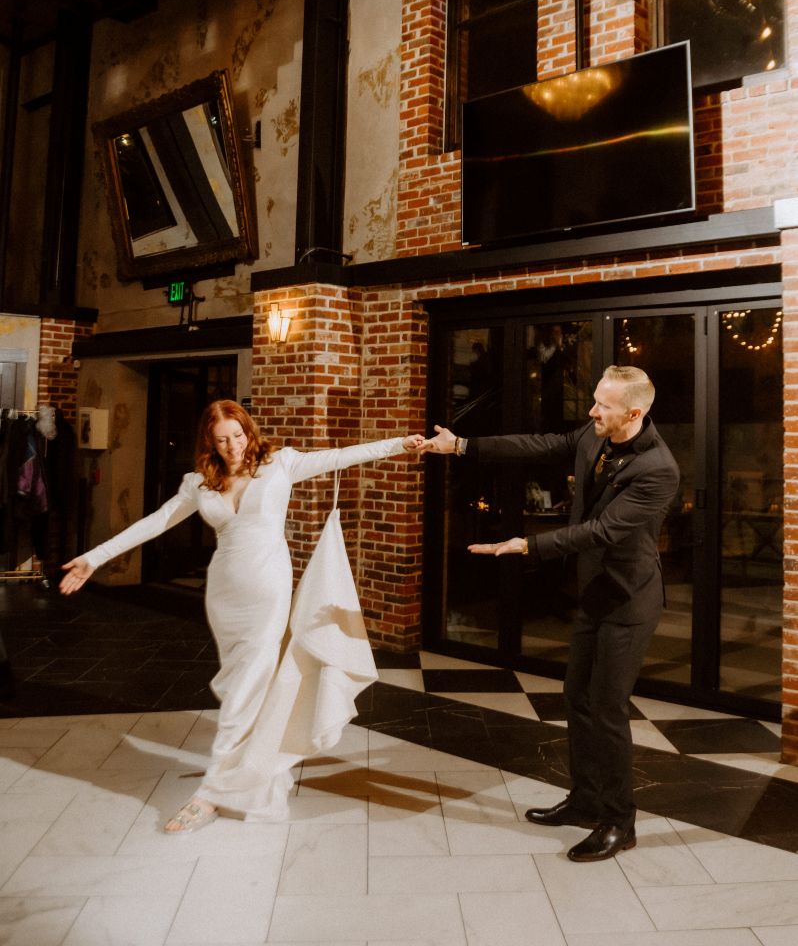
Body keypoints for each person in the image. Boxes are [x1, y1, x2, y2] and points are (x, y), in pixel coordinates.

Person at [61, 399, 424, 833]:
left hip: (268, 590)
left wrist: (402, 443)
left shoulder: (281, 464)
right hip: (225, 594)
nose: (233, 446)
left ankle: (211, 795)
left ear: (249, 431)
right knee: (241, 687)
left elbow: (342, 456)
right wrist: (94, 557)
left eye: (238, 435)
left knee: (245, 691)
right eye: (222, 439)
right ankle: (254, 767)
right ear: (209, 443)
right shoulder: (199, 482)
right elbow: (156, 522)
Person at [422, 364, 679, 862]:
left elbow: (601, 531)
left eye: (603, 405)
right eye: (595, 400)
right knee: (577, 698)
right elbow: (541, 445)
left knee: (607, 709)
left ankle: (618, 821)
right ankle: (585, 800)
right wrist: (462, 447)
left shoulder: (658, 468)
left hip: (628, 602)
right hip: (592, 593)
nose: (592, 411)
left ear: (634, 412)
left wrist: (526, 545)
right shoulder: (594, 433)